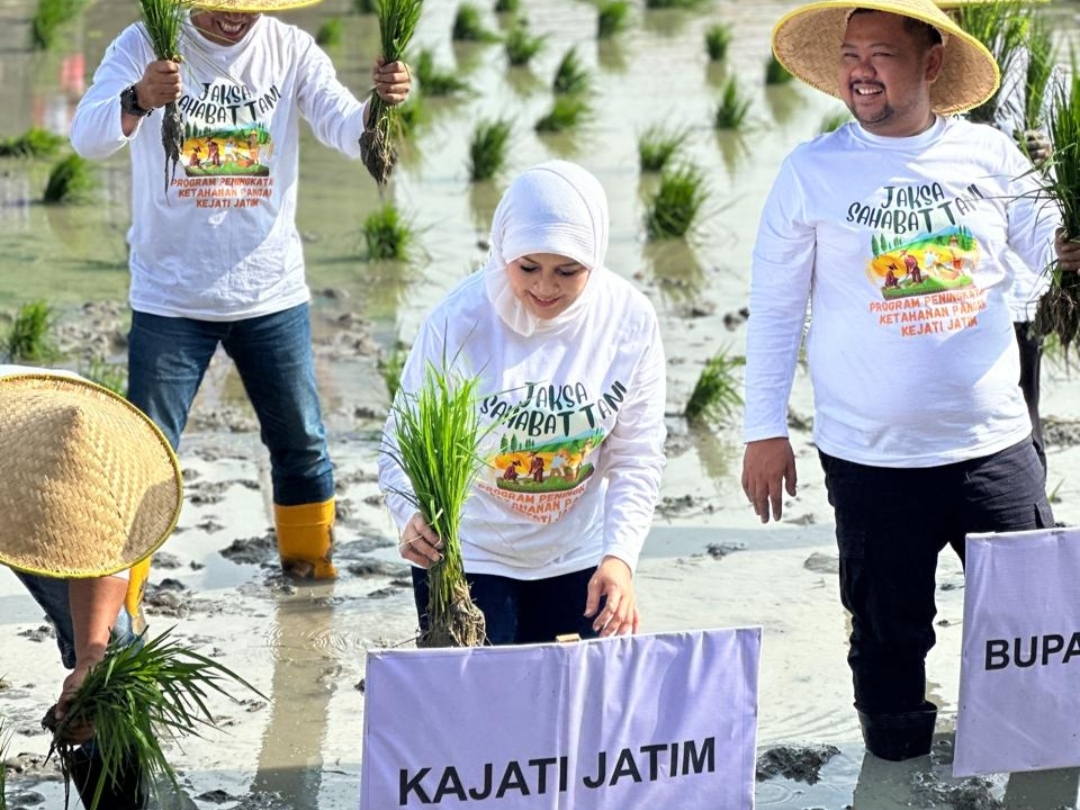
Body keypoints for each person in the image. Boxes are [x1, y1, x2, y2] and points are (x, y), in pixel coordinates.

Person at [743, 0, 1073, 762]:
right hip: (871, 459)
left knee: (1035, 633)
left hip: (993, 446)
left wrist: (1068, 240)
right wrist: (765, 429)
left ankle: (1038, 767)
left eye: (881, 54)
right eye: (851, 54)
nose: (860, 70)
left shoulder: (991, 160)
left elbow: (1050, 253)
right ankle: (894, 773)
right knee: (888, 648)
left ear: (931, 65)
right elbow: (775, 309)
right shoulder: (811, 173)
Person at [69, 0, 412, 580]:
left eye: (248, 8)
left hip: (270, 293)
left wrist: (382, 101)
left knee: (302, 446)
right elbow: (87, 138)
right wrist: (140, 99)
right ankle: (122, 602)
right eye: (222, 6)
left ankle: (310, 577)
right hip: (170, 297)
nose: (234, 19)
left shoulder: (289, 47)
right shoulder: (142, 45)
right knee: (146, 454)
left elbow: (341, 123)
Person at [377, 161, 667, 645]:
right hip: (471, 556)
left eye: (568, 271)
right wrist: (410, 514)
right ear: (502, 248)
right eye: (528, 267)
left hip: (579, 558)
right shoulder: (459, 321)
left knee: (580, 711)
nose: (545, 287)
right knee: (478, 712)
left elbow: (636, 457)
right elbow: (400, 443)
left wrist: (619, 558)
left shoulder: (629, 322)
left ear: (594, 259)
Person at [0, 367, 183, 809]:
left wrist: (90, 662)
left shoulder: (86, 442)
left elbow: (100, 557)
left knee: (116, 653)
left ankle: (118, 802)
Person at [936, 0, 1055, 474]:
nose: (956, 21)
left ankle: (1028, 509)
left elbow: (1059, 150)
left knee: (1025, 399)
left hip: (1019, 280)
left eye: (962, 13)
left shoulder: (1030, 68)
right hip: (955, 282)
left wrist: (1045, 149)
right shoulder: (919, 75)